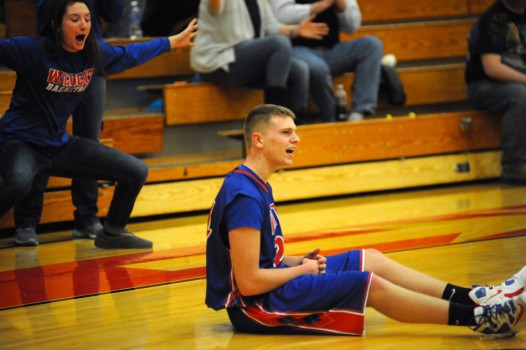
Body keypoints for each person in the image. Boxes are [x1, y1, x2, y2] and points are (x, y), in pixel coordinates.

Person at [205, 103, 526, 336]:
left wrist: (295, 261)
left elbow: (257, 258)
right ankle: (481, 317)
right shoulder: (245, 195)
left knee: (370, 259)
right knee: (367, 284)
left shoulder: (252, 183)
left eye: (296, 133)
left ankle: (469, 296)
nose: (296, 140)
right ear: (258, 140)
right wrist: (302, 270)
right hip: (257, 308)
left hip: (268, 288)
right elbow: (248, 282)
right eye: (287, 133)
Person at [0, 0, 198, 248]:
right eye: (74, 19)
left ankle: (113, 231)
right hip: (20, 142)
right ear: (57, 25)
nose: (83, 24)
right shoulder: (31, 49)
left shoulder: (93, 54)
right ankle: (27, 224)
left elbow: (130, 54)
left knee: (136, 171)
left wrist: (172, 42)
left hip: (58, 146)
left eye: (87, 18)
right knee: (19, 182)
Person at [27, 0, 123, 241]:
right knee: (40, 136)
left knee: (89, 143)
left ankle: (87, 217)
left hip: (91, 62)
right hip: (49, 61)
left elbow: (115, 12)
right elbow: (44, 8)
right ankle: (27, 222)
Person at [189, 0, 329, 123]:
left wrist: (297, 29)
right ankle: (273, 118)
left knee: (299, 70)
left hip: (244, 60)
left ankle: (295, 124)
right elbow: (214, 6)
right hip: (218, 63)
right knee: (279, 43)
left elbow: (271, 26)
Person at [270, 0, 383, 122]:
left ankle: (359, 111)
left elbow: (353, 27)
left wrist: (341, 5)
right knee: (318, 68)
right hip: (298, 49)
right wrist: (316, 7)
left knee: (372, 45)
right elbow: (279, 15)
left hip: (333, 50)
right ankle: (332, 119)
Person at [465, 0, 526, 184]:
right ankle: (514, 166)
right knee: (521, 97)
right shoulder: (493, 18)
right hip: (485, 84)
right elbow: (492, 68)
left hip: (518, 81)